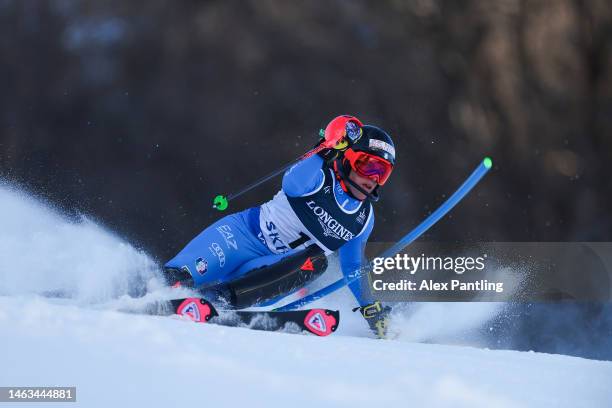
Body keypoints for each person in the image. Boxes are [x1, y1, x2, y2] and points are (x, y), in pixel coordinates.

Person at [163, 115, 395, 338]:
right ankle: (152, 292)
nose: (373, 178)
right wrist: (325, 150)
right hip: (241, 237)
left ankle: (219, 300)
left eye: (382, 173)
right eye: (369, 166)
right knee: (176, 278)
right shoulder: (322, 177)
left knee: (316, 262)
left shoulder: (363, 219)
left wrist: (372, 310)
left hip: (270, 272)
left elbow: (353, 265)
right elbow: (292, 184)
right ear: (348, 158)